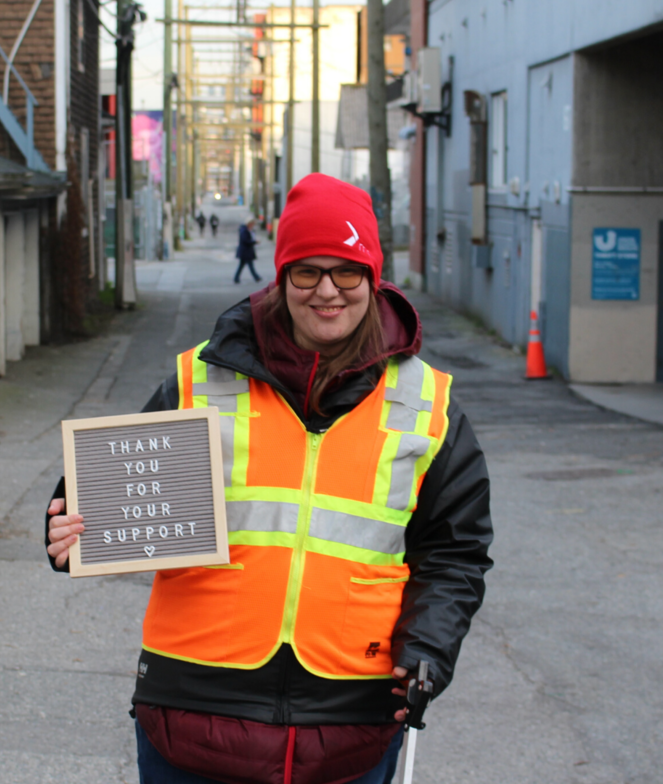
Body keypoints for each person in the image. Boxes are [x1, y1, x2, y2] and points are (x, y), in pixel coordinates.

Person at [46, 173, 493, 784]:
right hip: (192, 716)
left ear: (373, 277)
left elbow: (456, 554)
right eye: (307, 271)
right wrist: (74, 534)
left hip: (348, 725)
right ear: (282, 277)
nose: (327, 291)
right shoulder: (202, 380)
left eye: (348, 270)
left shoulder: (428, 404)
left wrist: (429, 651)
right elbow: (105, 500)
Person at [234, 216, 262, 283]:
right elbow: (245, 240)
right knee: (250, 265)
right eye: (252, 224)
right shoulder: (244, 231)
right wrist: (254, 242)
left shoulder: (249, 230)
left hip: (247, 250)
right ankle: (256, 277)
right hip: (245, 251)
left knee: (242, 265)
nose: (253, 225)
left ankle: (236, 278)